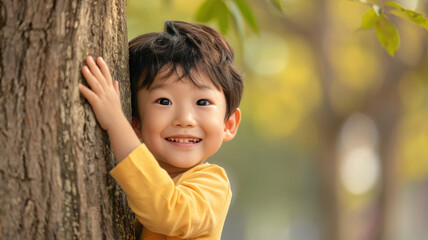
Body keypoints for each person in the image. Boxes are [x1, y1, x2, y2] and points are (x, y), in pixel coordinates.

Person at [78, 21, 243, 240]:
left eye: (203, 102)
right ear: (135, 122)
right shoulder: (134, 183)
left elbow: (168, 211)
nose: (185, 120)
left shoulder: (213, 184)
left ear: (228, 124)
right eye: (164, 101)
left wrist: (115, 122)